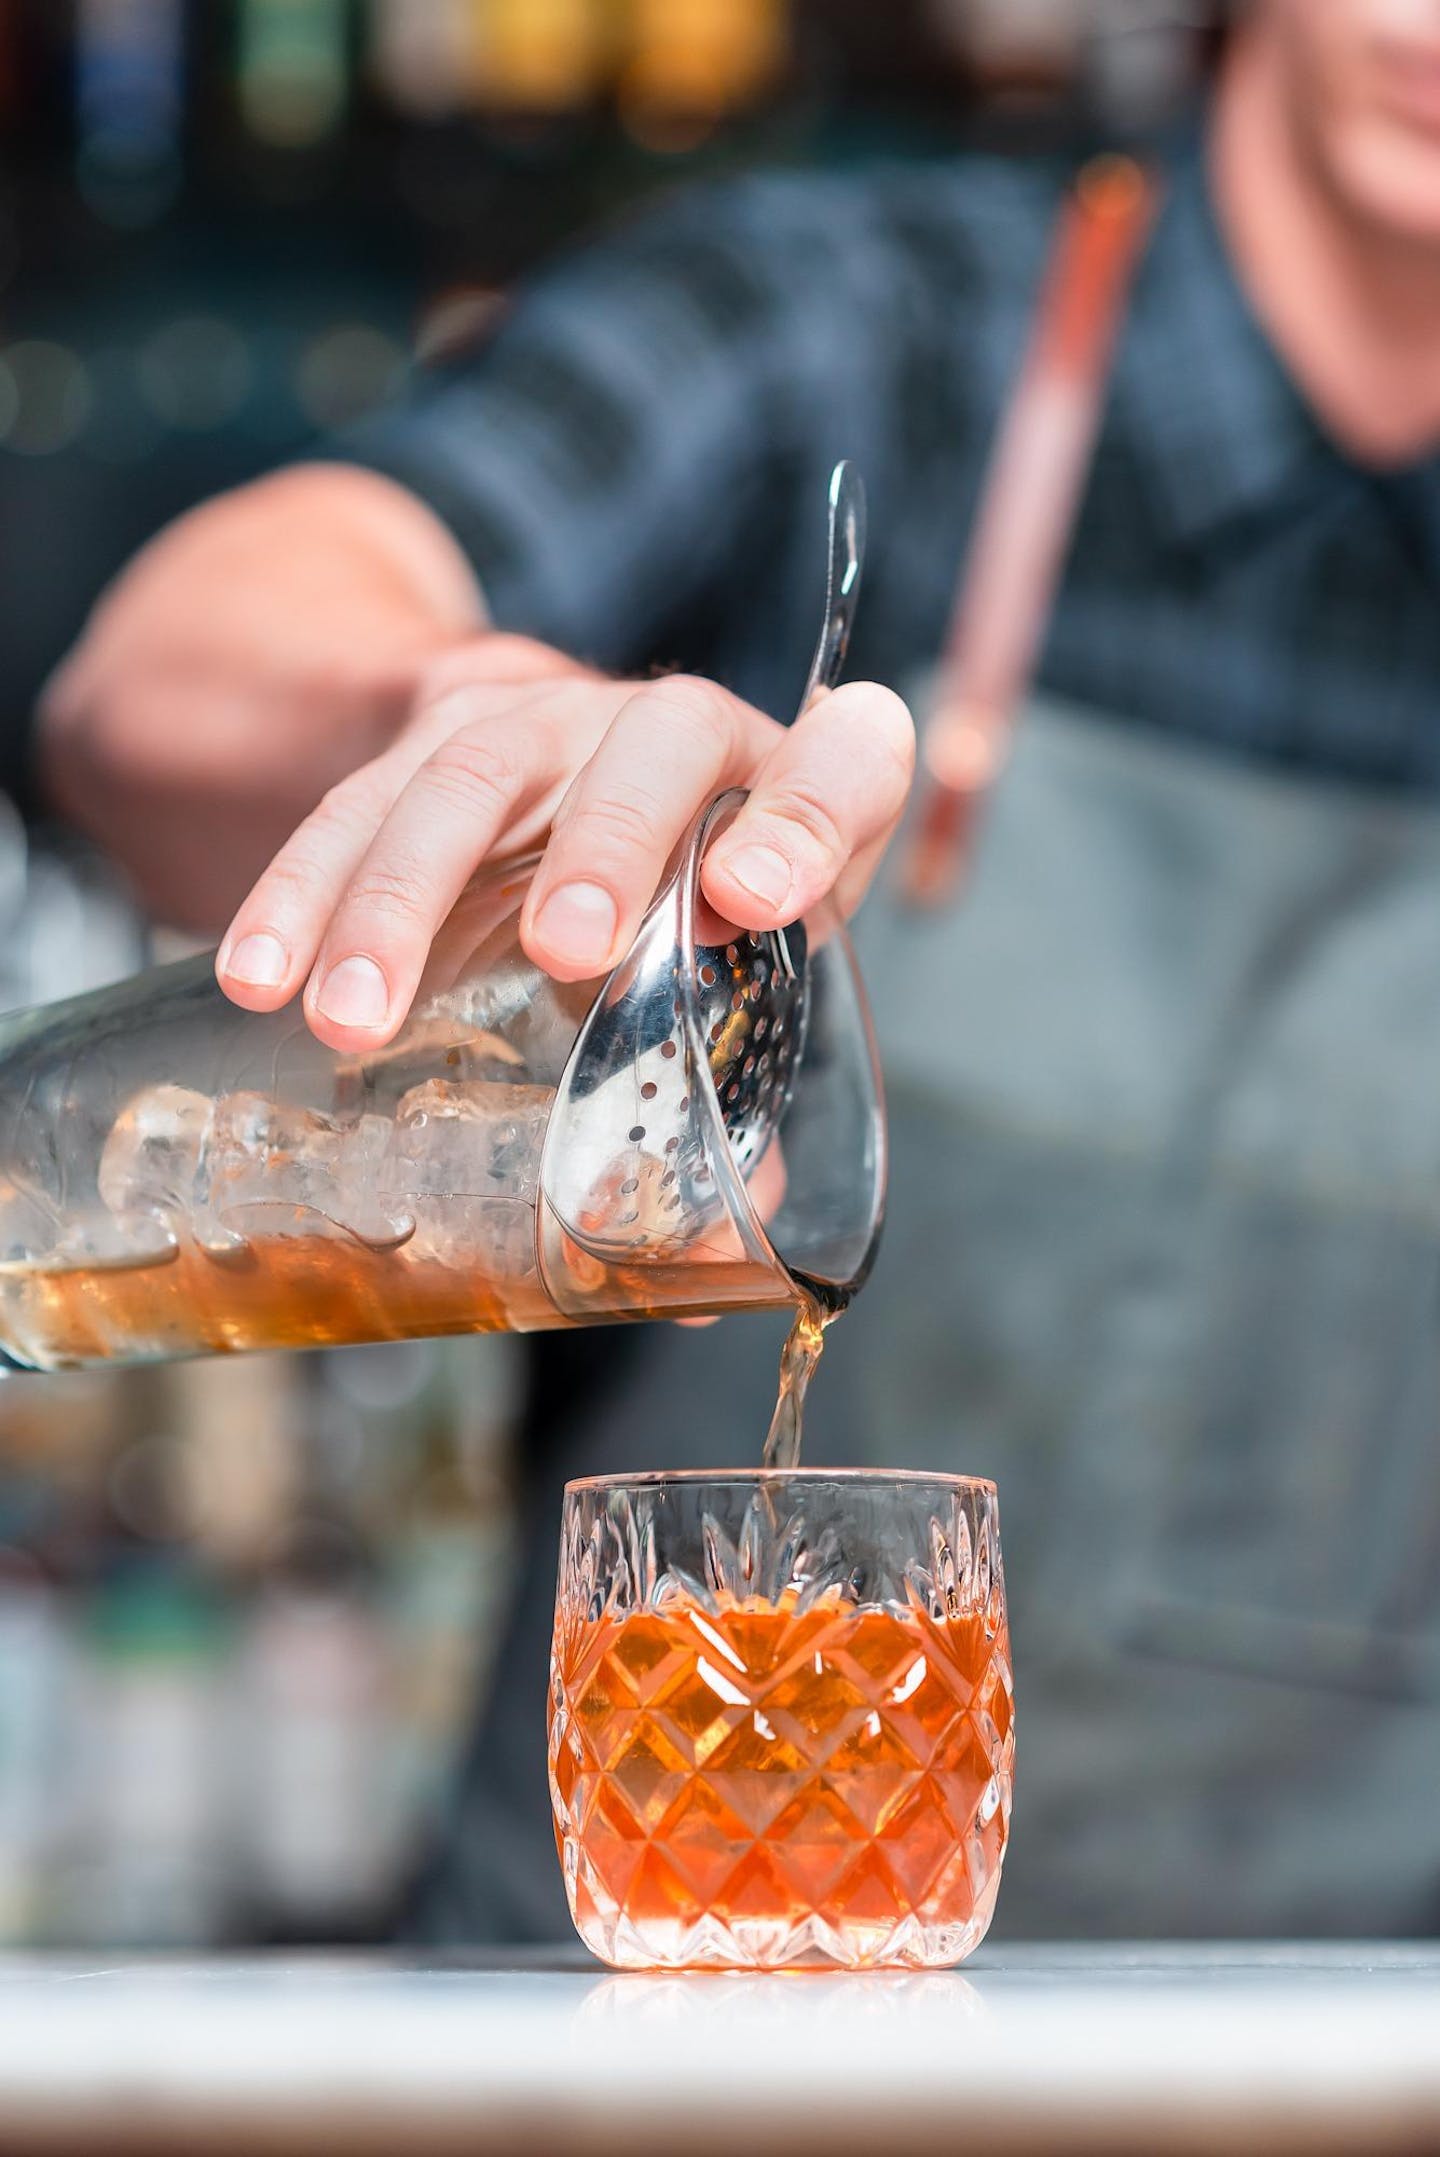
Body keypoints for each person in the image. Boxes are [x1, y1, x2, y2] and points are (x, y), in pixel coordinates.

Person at [35, 0, 1440, 1942]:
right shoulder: (848, 332)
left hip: (1336, 2059)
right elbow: (159, 686)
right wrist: (469, 714)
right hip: (626, 2046)